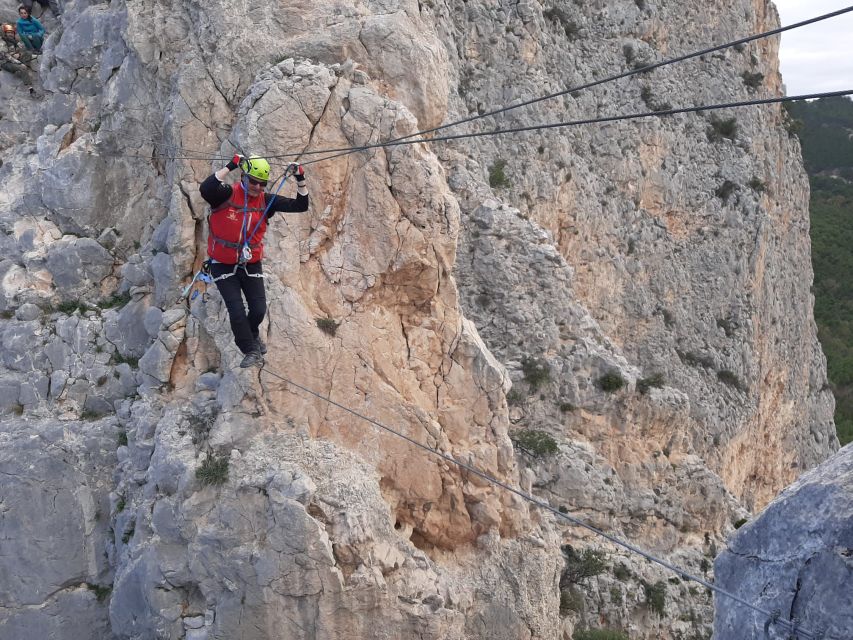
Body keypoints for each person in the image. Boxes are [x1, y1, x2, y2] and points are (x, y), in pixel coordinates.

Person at [199, 154, 309, 368]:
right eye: (253, 181)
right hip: (222, 263)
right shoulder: (226, 195)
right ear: (243, 177)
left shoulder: (266, 201)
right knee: (237, 311)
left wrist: (300, 179)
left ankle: (252, 335)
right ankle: (250, 349)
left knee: (258, 309)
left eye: (262, 183)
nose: (258, 187)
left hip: (250, 263)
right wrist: (231, 164)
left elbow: (300, 206)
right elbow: (207, 187)